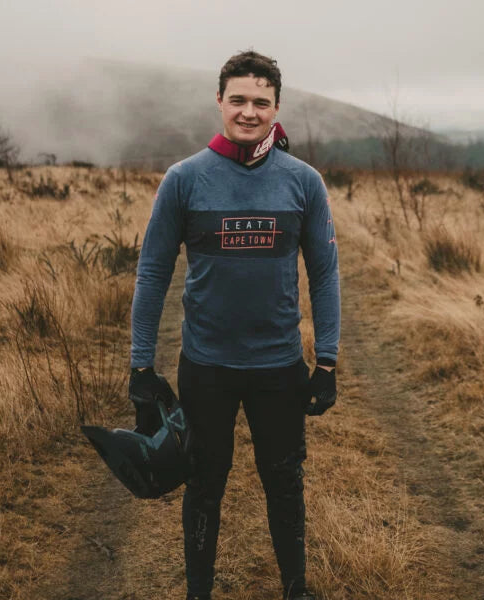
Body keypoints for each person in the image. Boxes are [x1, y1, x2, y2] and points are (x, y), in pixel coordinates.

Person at [129, 50, 340, 600]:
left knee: (284, 484)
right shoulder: (184, 180)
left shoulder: (304, 182)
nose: (249, 112)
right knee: (203, 485)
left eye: (261, 102)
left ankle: (296, 589)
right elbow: (153, 273)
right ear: (219, 102)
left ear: (276, 107)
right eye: (239, 100)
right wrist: (140, 365)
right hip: (206, 368)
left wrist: (328, 362)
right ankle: (199, 592)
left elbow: (324, 274)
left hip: (278, 369)